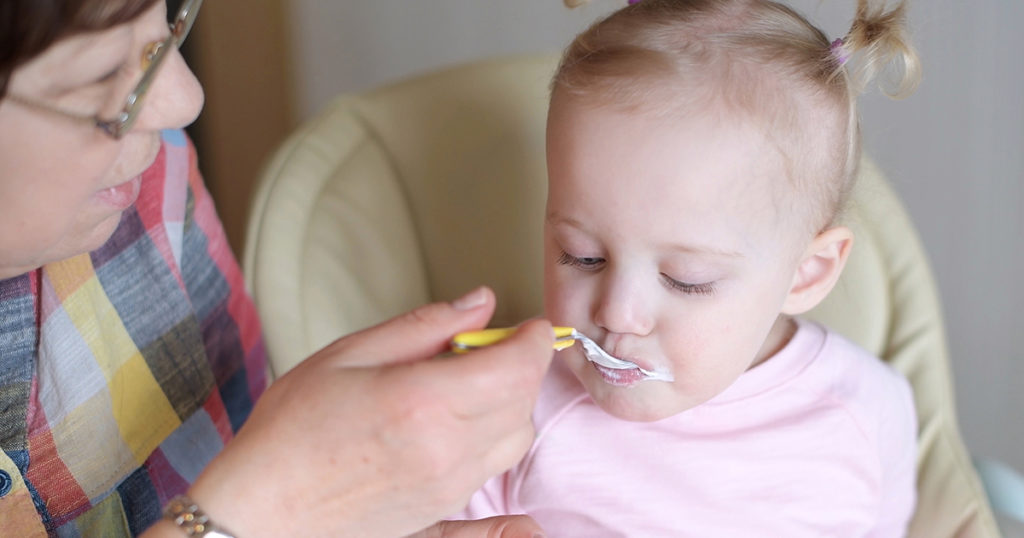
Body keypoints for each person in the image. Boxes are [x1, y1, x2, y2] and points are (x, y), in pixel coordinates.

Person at [0, 1, 555, 536]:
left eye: (165, 21)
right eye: (101, 76)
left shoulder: (141, 185)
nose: (185, 99)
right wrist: (270, 507)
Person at [452, 0, 922, 535]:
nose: (618, 313)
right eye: (583, 256)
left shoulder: (865, 411)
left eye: (686, 279)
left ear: (807, 273)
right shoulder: (512, 409)